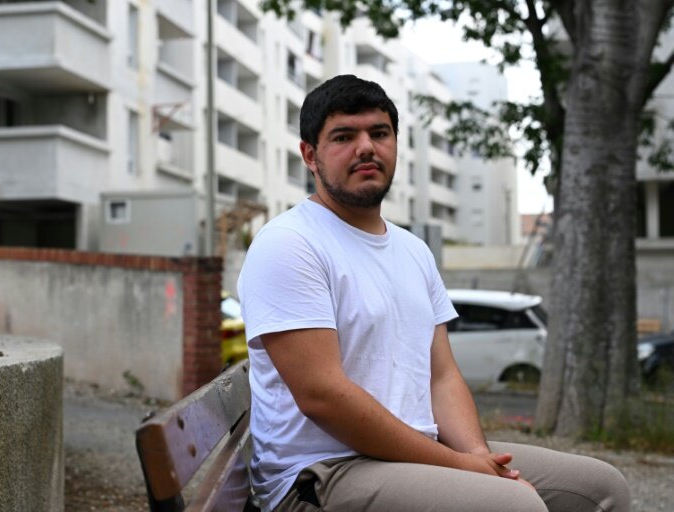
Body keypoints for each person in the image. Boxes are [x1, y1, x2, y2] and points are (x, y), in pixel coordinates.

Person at [237, 74, 630, 512]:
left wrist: (476, 455)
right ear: (310, 155)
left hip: (413, 454)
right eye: (344, 136)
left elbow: (441, 375)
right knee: (513, 506)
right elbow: (322, 395)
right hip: (322, 474)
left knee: (601, 488)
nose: (366, 147)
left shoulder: (413, 251)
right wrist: (458, 466)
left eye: (379, 133)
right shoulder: (289, 244)